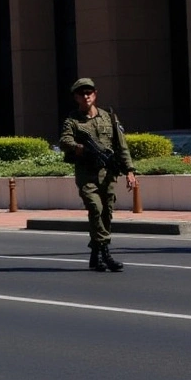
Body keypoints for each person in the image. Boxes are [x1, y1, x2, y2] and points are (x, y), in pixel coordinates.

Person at [60, 77, 136, 272]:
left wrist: (129, 170)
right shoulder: (72, 121)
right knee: (95, 208)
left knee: (106, 212)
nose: (86, 96)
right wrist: (81, 149)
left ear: (95, 94)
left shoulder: (109, 117)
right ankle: (105, 251)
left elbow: (121, 145)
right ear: (76, 97)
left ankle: (95, 254)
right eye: (82, 94)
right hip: (87, 174)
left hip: (109, 173)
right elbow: (64, 142)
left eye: (89, 93)